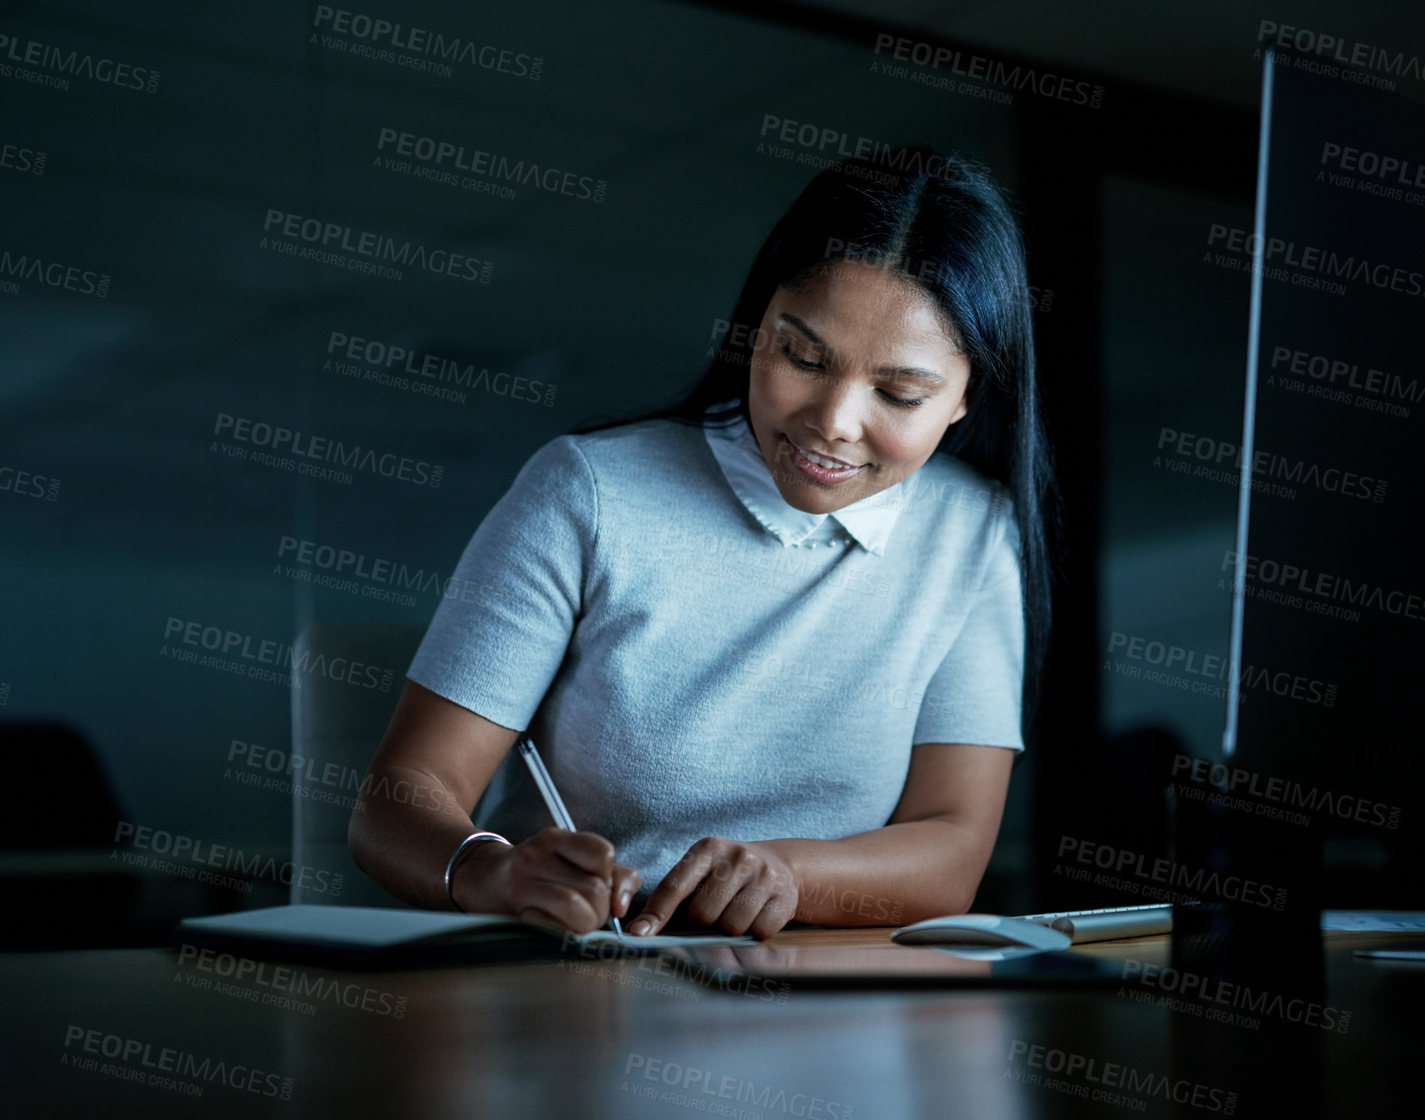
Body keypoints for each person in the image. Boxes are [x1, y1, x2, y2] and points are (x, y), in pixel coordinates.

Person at [348, 146, 1059, 940]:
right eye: (801, 356)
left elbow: (952, 850)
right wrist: (494, 870)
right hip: (584, 989)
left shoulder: (973, 530)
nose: (833, 421)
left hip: (817, 1003)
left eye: (898, 393)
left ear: (964, 399)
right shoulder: (589, 491)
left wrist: (786, 874)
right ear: (754, 330)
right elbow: (397, 801)